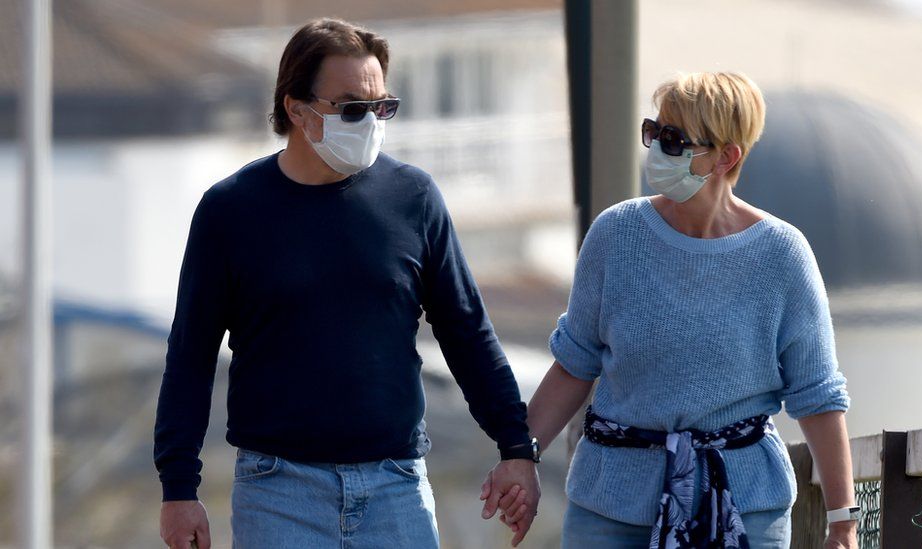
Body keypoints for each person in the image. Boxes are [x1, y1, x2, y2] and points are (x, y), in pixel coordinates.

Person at [154, 18, 540, 549]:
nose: (372, 121)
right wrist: (178, 488)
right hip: (277, 490)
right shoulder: (231, 210)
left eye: (382, 107)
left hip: (397, 485)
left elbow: (467, 333)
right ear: (296, 108)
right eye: (353, 107)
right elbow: (191, 355)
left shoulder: (415, 198)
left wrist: (517, 449)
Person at [500, 72, 857, 548]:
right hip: (609, 507)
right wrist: (521, 456)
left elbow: (818, 397)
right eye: (654, 133)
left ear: (727, 156)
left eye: (674, 139)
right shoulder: (615, 234)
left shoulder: (782, 255)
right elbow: (574, 364)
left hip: (742, 506)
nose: (656, 150)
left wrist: (843, 522)